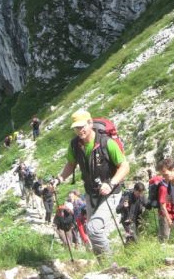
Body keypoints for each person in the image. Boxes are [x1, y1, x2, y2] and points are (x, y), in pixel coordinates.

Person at [52, 110, 129, 257]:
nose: (79, 130)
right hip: (90, 193)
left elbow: (125, 166)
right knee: (92, 231)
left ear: (90, 123)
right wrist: (59, 179)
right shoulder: (75, 145)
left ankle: (111, 265)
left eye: (82, 126)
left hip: (111, 193)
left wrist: (111, 183)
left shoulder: (107, 143)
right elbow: (71, 164)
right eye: (76, 127)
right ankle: (103, 267)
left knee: (93, 229)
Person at [155, 174, 174, 243]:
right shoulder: (163, 188)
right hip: (165, 216)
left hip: (171, 215)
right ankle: (161, 251)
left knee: (168, 236)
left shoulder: (170, 186)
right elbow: (163, 207)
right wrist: (169, 219)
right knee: (164, 237)